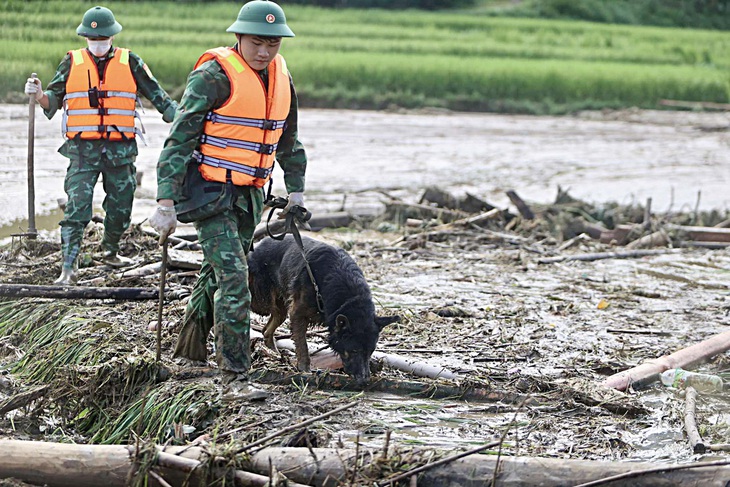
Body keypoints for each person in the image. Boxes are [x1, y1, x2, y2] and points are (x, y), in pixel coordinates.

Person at [149, 0, 307, 402]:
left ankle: (189, 346)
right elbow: (179, 139)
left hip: (250, 195)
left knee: (216, 270)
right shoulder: (212, 76)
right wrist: (164, 202)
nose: (264, 52)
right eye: (257, 43)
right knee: (235, 279)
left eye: (273, 44)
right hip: (209, 192)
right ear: (238, 37)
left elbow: (287, 141)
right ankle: (234, 377)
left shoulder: (281, 81)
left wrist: (298, 189)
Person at [24, 5, 178, 286]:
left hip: (120, 152)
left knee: (121, 208)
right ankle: (68, 268)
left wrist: (185, 118)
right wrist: (38, 95)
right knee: (77, 208)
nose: (98, 44)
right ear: (85, 38)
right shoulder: (71, 62)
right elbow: (52, 101)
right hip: (82, 152)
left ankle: (109, 251)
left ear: (112, 37)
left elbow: (160, 98)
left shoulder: (130, 62)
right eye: (93, 40)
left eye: (102, 39)